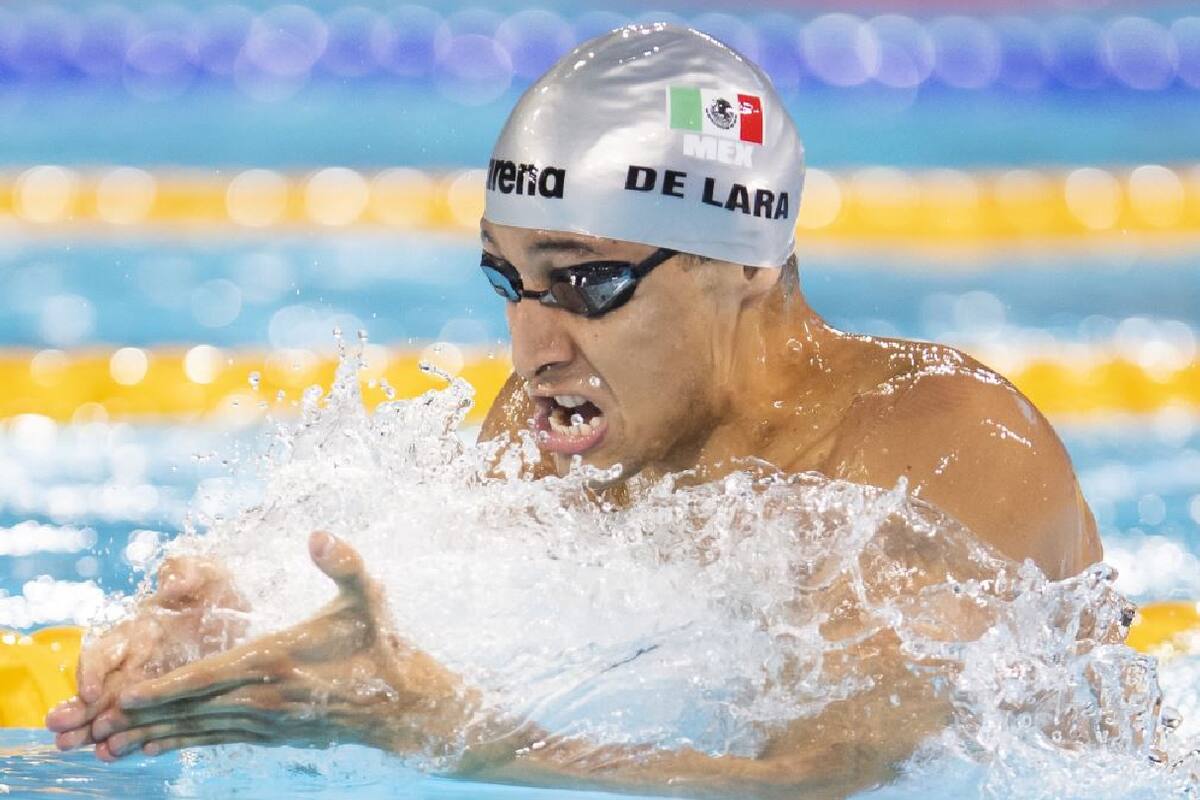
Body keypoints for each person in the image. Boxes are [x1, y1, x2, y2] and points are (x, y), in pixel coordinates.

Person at [46, 24, 1102, 798]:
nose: (532, 346)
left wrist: (462, 739)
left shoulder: (942, 444)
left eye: (588, 281)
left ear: (742, 260)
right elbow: (425, 600)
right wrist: (226, 623)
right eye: (510, 281)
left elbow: (824, 779)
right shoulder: (569, 414)